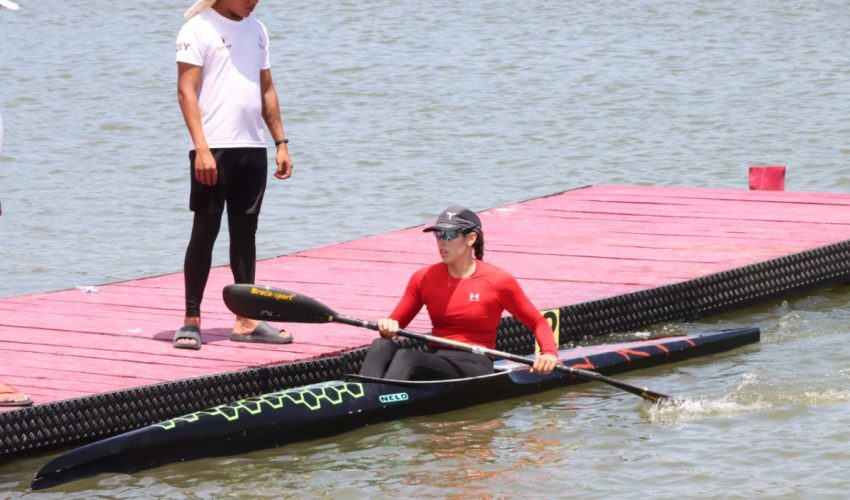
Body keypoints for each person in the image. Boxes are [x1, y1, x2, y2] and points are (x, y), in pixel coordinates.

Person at [173, 0, 293, 349]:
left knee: (246, 233)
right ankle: (191, 319)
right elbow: (186, 91)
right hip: (214, 148)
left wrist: (280, 142)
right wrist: (202, 148)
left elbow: (266, 88)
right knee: (205, 230)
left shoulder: (257, 30)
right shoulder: (197, 28)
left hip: (252, 147)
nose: (254, 1)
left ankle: (246, 319)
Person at [359, 206, 559, 381]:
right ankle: (365, 394)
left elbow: (537, 322)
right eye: (438, 235)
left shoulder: (497, 281)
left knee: (407, 357)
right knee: (380, 346)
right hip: (437, 358)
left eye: (449, 235)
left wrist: (548, 353)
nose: (441, 243)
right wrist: (388, 326)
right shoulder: (423, 278)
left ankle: (376, 401)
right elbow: (394, 327)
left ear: (471, 238)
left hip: (475, 362)